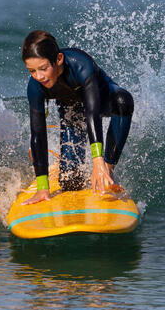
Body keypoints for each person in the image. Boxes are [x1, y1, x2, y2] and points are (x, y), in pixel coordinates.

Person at [21, 30, 133, 205]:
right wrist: (43, 187)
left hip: (101, 100)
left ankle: (108, 170)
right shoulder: (35, 86)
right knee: (70, 182)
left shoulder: (81, 65)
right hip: (72, 112)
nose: (39, 76)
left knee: (123, 101)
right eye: (32, 71)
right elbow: (38, 134)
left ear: (58, 59)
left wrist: (98, 161)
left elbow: (92, 113)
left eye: (43, 68)